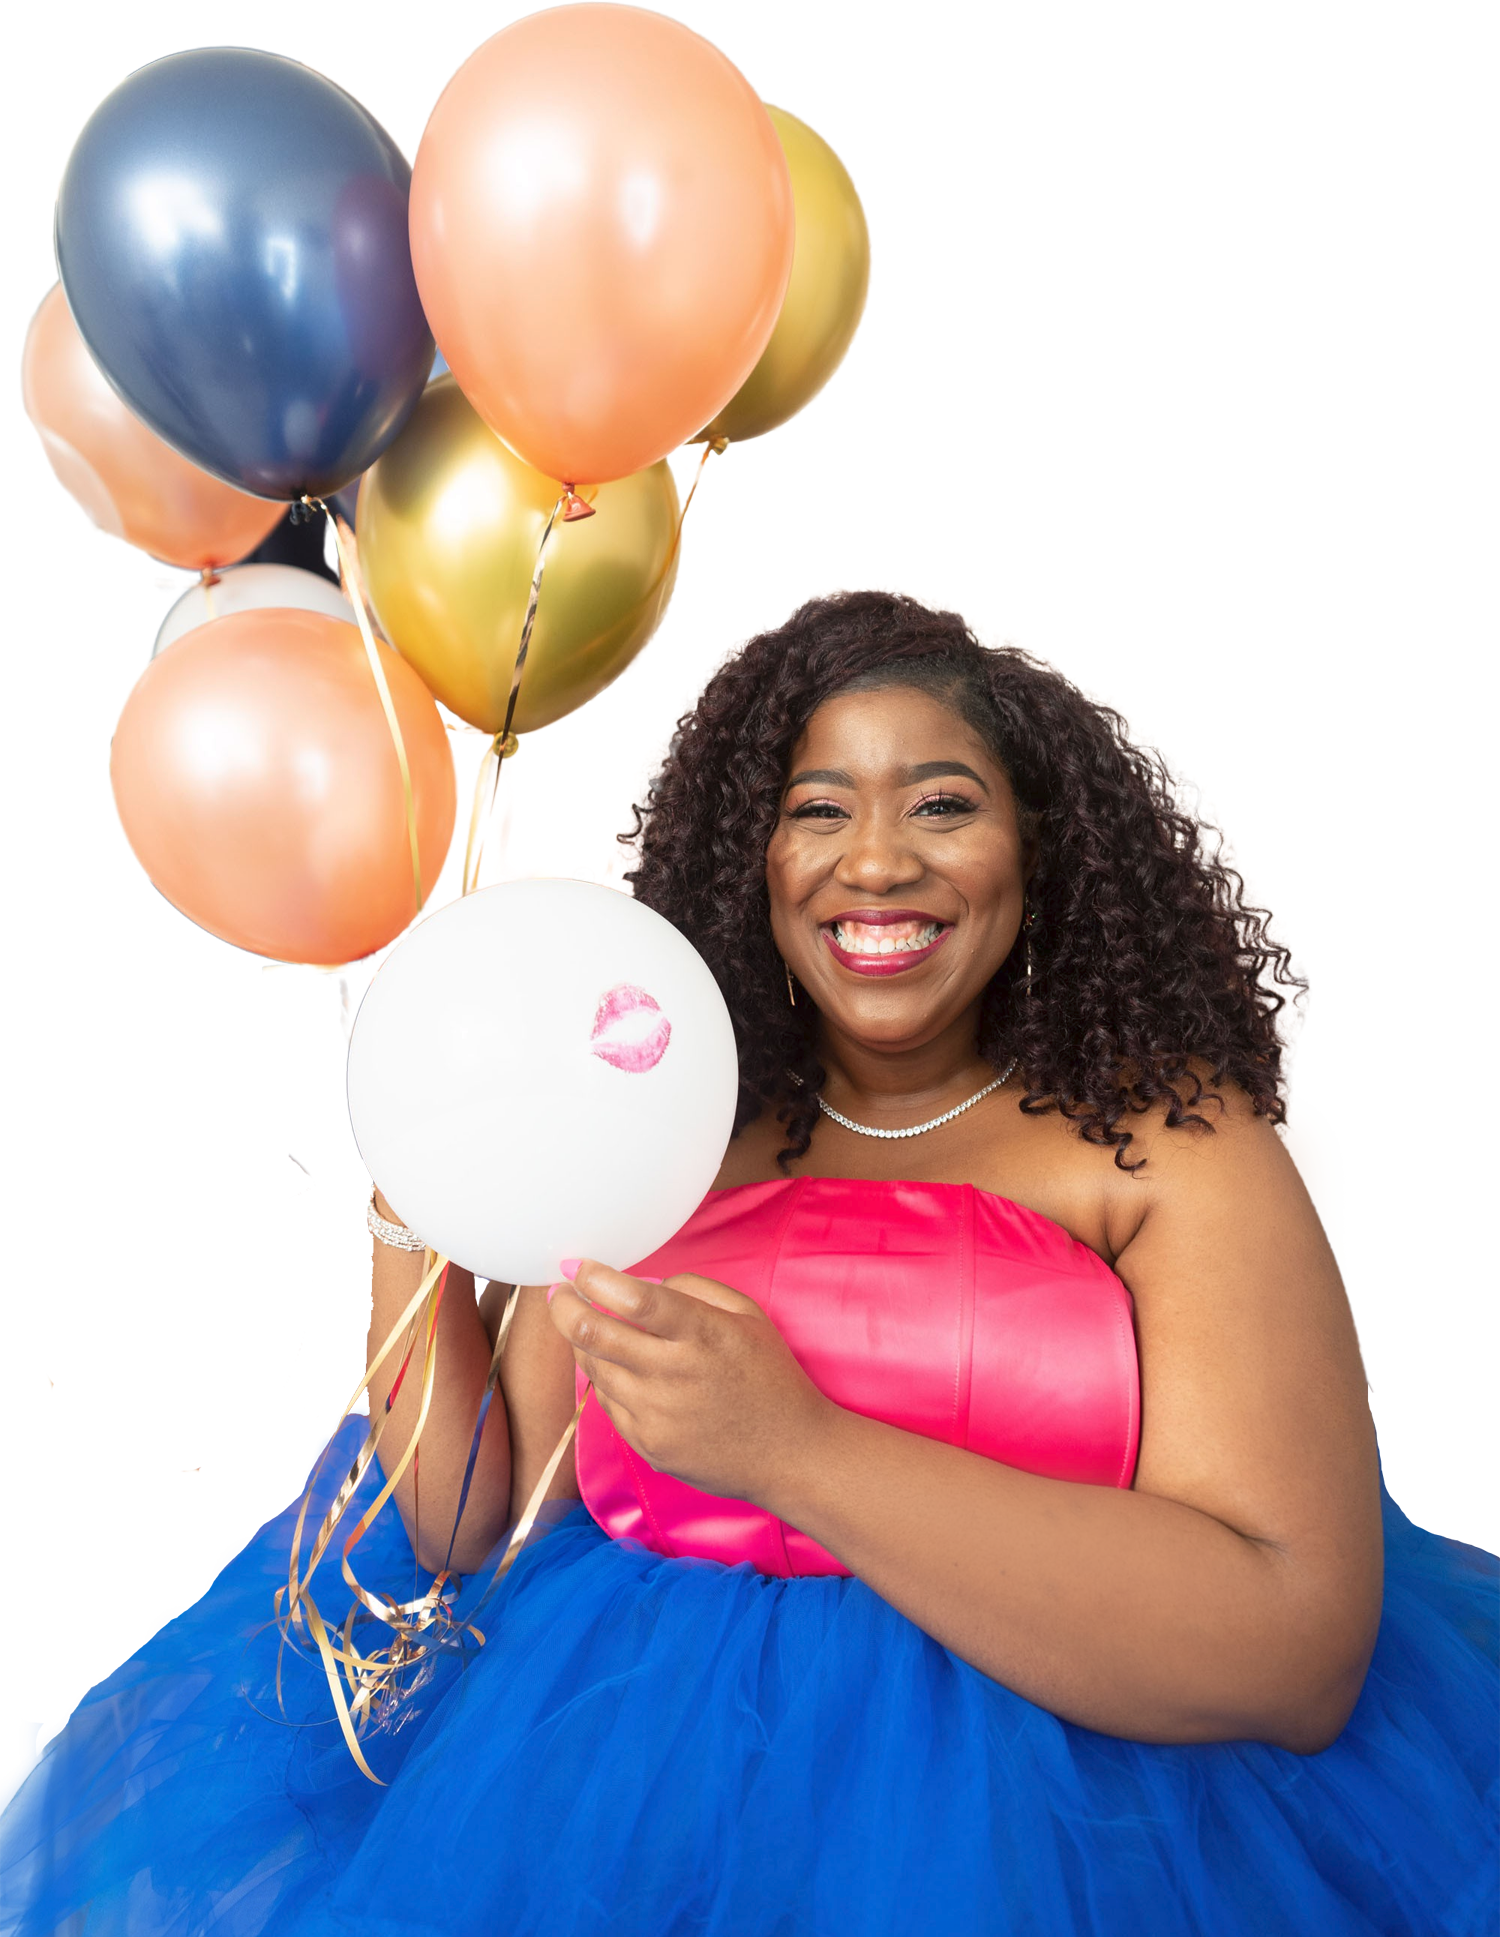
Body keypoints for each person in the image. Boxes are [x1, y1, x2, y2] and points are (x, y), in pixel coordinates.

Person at [3, 586, 1498, 1935]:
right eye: (816, 810)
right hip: (619, 1787)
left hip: (1090, 1832)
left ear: (1039, 846)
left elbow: (1296, 1655)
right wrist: (419, 1187)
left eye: (943, 805)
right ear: (750, 856)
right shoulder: (663, 1127)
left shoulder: (1169, 1144)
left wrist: (792, 1449)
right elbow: (474, 1525)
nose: (878, 863)